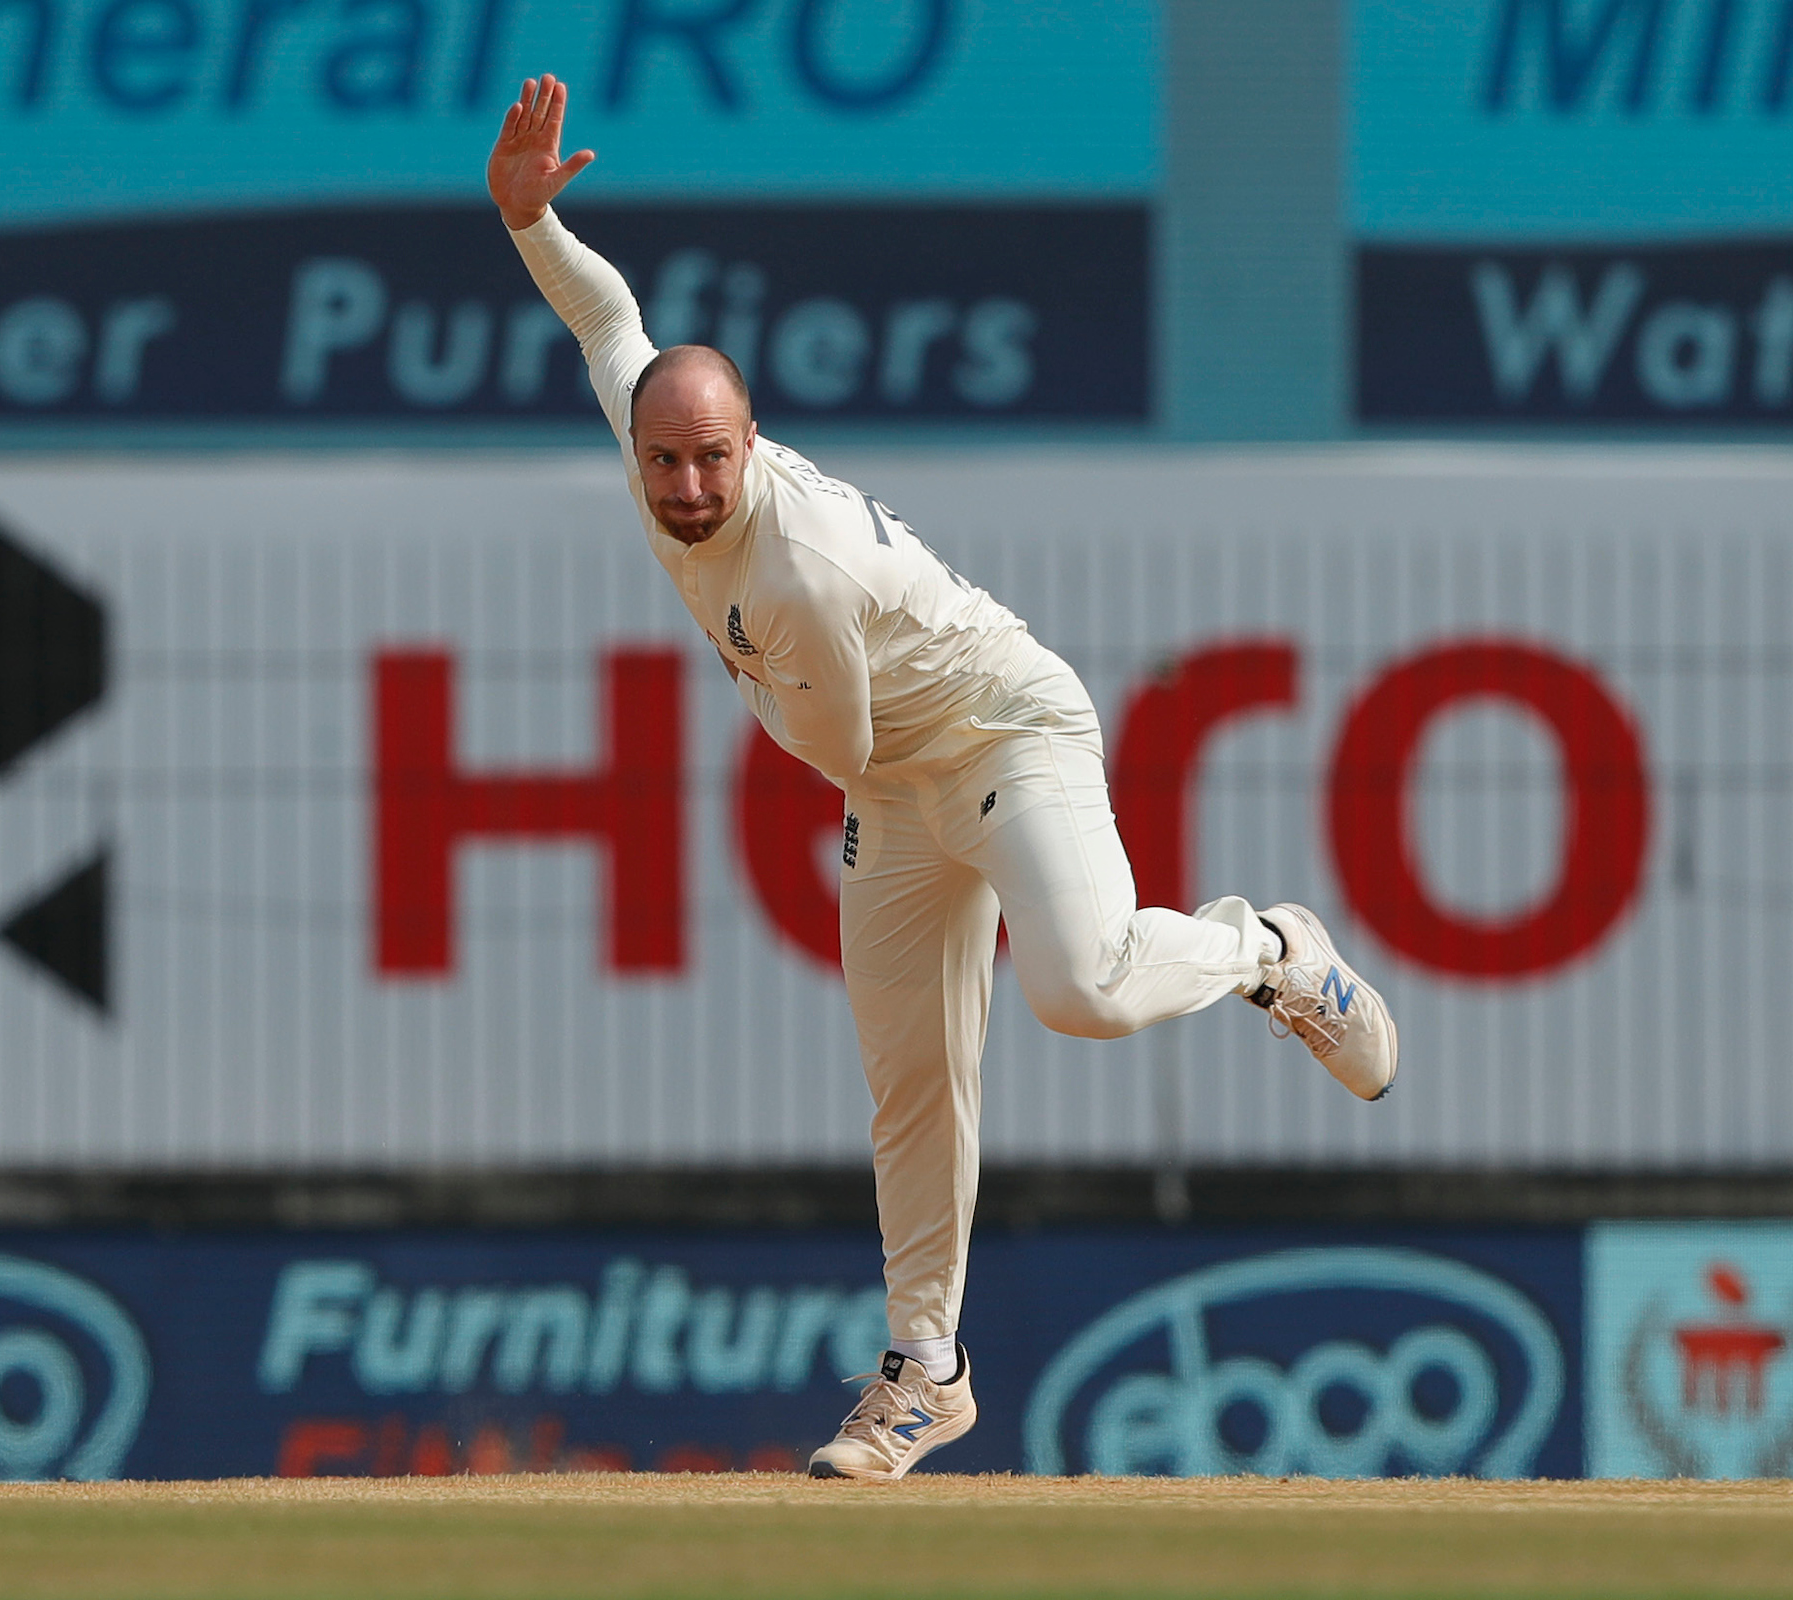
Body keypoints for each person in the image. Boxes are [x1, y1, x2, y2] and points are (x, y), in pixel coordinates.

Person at [487, 76, 1397, 1479]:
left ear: (750, 441)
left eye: (708, 462)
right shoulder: (653, 435)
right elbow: (611, 322)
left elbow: (836, 748)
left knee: (1081, 992)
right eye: (662, 461)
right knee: (913, 1080)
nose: (680, 490)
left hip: (1001, 737)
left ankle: (1268, 951)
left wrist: (750, 671)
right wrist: (531, 219)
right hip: (899, 786)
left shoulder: (799, 570)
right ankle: (926, 1372)